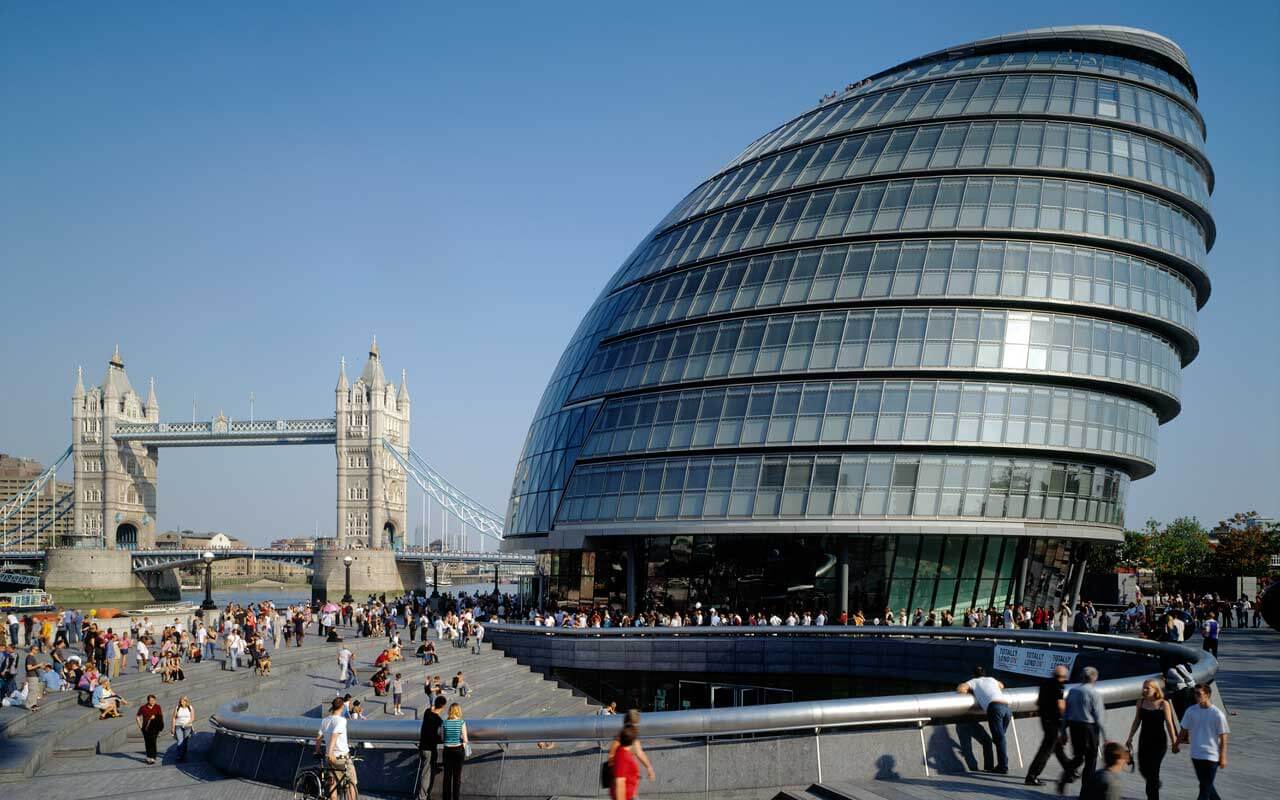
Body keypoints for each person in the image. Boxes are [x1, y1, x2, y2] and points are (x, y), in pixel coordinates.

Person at [1123, 678, 1178, 800]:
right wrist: (1130, 737)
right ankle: (1154, 785)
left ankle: (1153, 796)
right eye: (1144, 687)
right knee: (1144, 769)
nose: (1144, 689)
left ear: (1155, 689)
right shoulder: (1141, 702)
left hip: (1158, 742)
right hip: (1144, 741)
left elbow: (1169, 724)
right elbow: (1137, 720)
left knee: (1153, 772)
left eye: (1148, 687)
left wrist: (1174, 742)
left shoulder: (1163, 704)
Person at [1059, 666, 1107, 794]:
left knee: (1078, 757)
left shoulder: (1073, 691)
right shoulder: (1094, 694)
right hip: (1089, 729)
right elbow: (1099, 717)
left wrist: (1063, 731)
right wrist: (1106, 737)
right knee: (1091, 760)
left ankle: (1065, 777)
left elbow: (1066, 713)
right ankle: (1085, 792)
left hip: (1075, 728)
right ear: (1095, 678)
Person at [955, 665, 1011, 774]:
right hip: (1007, 709)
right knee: (1000, 738)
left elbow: (960, 689)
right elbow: (1002, 685)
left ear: (974, 675)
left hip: (994, 708)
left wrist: (971, 691)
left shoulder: (973, 681)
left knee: (999, 739)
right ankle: (1001, 764)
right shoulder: (992, 679)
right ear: (984, 674)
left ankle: (1003, 767)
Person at [1178, 685, 1229, 800]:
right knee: (1206, 786)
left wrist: (1223, 756)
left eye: (1198, 694)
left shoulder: (1217, 714)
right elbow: (1183, 730)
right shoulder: (1191, 711)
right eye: (1195, 693)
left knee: (1205, 789)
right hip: (1196, 755)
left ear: (1207, 695)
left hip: (1212, 756)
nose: (1196, 696)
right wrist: (1176, 744)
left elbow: (1224, 736)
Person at [1024, 664, 1069, 786]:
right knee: (1046, 750)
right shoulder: (1059, 686)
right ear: (1063, 676)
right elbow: (1061, 706)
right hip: (1054, 721)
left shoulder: (1044, 683)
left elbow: (1038, 701)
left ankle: (1070, 770)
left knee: (1056, 746)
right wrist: (1065, 721)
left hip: (1045, 719)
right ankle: (1032, 776)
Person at [317, 696, 358, 800]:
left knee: (332, 782)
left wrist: (317, 751)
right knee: (351, 781)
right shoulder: (341, 720)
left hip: (330, 759)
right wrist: (330, 753)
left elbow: (318, 738)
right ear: (342, 708)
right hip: (341, 757)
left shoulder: (325, 720)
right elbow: (335, 735)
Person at [608, 710, 657, 783]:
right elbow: (611, 757)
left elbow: (639, 753)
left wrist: (649, 767)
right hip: (622, 779)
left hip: (628, 779)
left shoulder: (630, 737)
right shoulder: (621, 738)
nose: (636, 727)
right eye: (635, 724)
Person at [417, 694, 448, 800]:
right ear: (443, 706)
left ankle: (424, 795)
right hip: (430, 749)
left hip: (422, 746)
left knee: (425, 772)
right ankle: (422, 797)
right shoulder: (439, 720)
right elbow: (440, 736)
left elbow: (431, 709)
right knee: (427, 774)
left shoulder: (427, 712)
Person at [441, 703, 469, 800]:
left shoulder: (444, 722)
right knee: (457, 777)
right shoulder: (461, 722)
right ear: (458, 711)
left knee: (447, 777)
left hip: (447, 750)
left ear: (450, 711)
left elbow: (442, 738)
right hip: (458, 750)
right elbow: (465, 740)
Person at [612, 725, 641, 800]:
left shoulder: (623, 751)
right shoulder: (623, 756)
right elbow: (620, 783)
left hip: (630, 794)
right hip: (627, 796)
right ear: (633, 741)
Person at [136, 694, 165, 764]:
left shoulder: (158, 707)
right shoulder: (143, 707)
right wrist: (140, 727)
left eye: (153, 700)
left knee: (153, 741)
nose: (152, 702)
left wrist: (155, 718)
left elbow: (160, 717)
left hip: (155, 728)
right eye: (151, 700)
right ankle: (149, 756)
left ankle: (153, 757)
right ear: (148, 701)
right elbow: (137, 716)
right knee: (147, 742)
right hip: (146, 728)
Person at [171, 696, 195, 763]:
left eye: (182, 701)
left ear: (186, 701)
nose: (181, 702)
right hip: (178, 725)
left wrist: (187, 723)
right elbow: (174, 718)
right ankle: (179, 755)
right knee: (180, 741)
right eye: (180, 701)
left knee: (185, 741)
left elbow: (192, 718)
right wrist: (173, 728)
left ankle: (184, 755)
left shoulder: (190, 707)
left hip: (187, 726)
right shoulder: (177, 707)